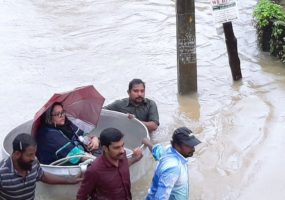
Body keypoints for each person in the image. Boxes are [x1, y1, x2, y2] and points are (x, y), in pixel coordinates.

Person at [0, 133, 81, 200]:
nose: (34, 158)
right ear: (17, 154)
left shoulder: (33, 163)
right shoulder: (2, 172)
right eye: (30, 155)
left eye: (34, 154)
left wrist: (70, 180)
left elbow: (43, 176)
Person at [76, 128, 143, 200]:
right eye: (116, 147)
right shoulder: (94, 170)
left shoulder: (122, 156)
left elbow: (124, 165)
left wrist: (135, 158)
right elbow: (81, 196)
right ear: (105, 148)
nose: (122, 150)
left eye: (122, 145)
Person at [143, 127, 201, 200]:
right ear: (177, 145)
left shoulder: (168, 149)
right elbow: (161, 198)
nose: (193, 149)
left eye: (193, 145)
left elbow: (158, 151)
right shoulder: (173, 168)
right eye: (189, 146)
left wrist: (147, 142)